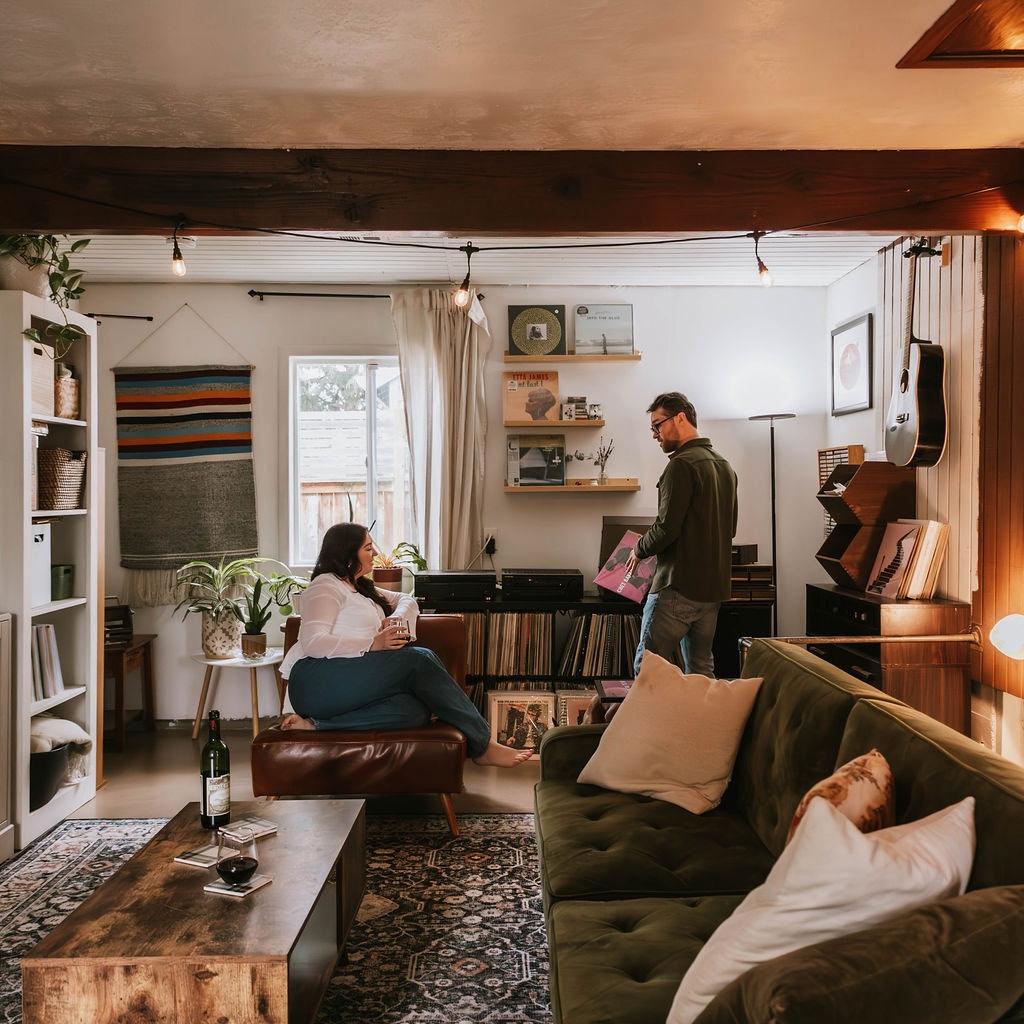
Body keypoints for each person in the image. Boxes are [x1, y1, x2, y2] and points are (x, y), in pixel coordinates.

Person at [279, 523, 532, 769]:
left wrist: (397, 619)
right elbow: (313, 642)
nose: (374, 553)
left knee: (414, 711)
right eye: (367, 548)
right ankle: (483, 746)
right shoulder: (325, 586)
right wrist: (372, 643)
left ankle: (317, 725)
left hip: (347, 682)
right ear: (347, 553)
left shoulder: (359, 587)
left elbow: (407, 600)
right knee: (419, 658)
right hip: (315, 681)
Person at [624, 392, 737, 678]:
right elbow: (731, 528)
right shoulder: (724, 466)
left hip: (678, 588)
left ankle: (651, 713)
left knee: (647, 671)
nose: (655, 435)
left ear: (680, 418)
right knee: (701, 673)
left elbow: (666, 528)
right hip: (711, 592)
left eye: (657, 425)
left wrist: (638, 549)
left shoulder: (680, 465)